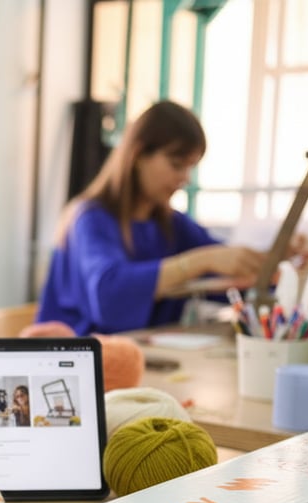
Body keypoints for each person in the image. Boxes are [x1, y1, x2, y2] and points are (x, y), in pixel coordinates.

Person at [29, 100, 270, 336]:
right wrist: (200, 262)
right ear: (138, 155)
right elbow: (110, 295)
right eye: (176, 165)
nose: (185, 178)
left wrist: (280, 259)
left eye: (190, 168)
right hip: (77, 363)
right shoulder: (89, 219)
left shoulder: (171, 224)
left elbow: (229, 276)